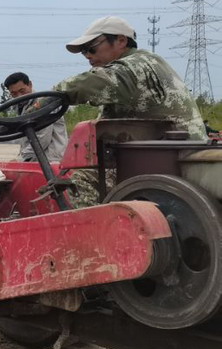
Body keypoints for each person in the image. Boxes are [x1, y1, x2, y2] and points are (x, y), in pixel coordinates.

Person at [54, 16, 205, 206]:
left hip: (167, 162)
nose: (87, 55)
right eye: (84, 51)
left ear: (121, 41)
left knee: (79, 183)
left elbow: (91, 84)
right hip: (166, 157)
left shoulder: (137, 66)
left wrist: (49, 97)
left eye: (91, 47)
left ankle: (92, 226)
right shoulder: (140, 69)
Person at [3, 72, 68, 162]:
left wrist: (20, 159)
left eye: (22, 91)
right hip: (35, 159)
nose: (19, 96)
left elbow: (42, 139)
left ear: (30, 85)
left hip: (50, 160)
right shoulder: (22, 106)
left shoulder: (43, 104)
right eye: (14, 93)